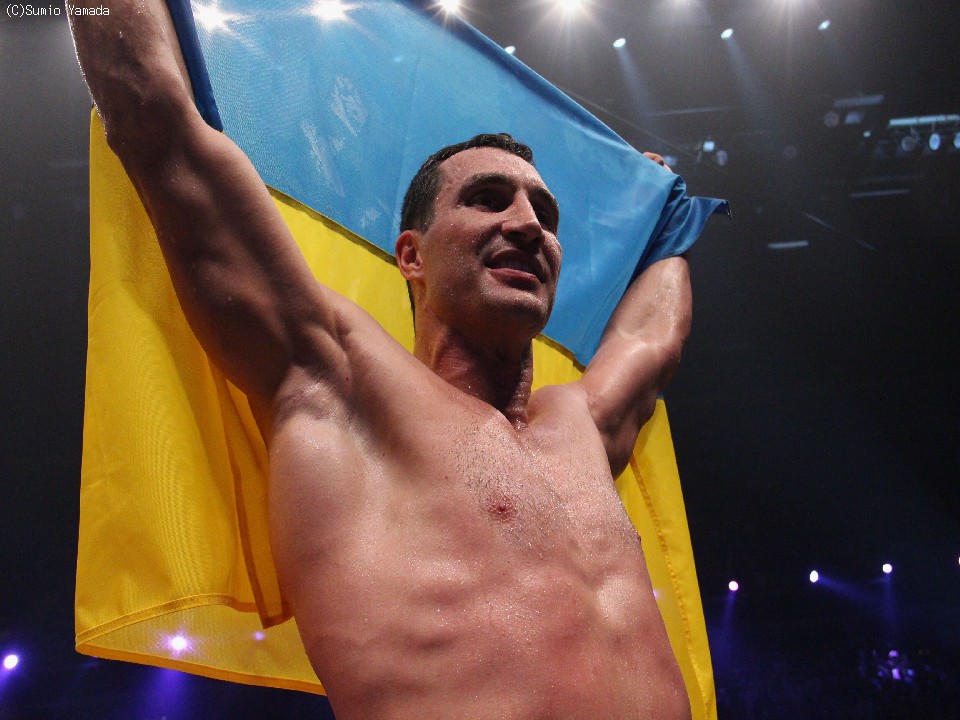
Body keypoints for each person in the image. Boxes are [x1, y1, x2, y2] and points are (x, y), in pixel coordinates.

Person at [69, 2, 695, 718]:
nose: (527, 225)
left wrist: (664, 221)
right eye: (488, 200)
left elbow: (654, 339)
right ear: (411, 255)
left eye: (545, 215)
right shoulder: (339, 383)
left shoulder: (581, 423)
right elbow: (157, 124)